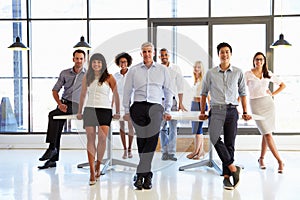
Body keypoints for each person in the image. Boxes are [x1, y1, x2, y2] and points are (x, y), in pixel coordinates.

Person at [199, 42, 252, 190]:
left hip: (232, 110)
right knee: (214, 137)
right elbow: (203, 93)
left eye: (227, 52)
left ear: (231, 54)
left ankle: (227, 177)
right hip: (216, 109)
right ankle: (234, 168)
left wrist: (245, 111)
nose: (225, 54)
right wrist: (203, 111)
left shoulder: (238, 72)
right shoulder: (210, 73)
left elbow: (243, 93)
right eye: (222, 52)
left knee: (230, 143)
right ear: (218, 54)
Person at [123, 42, 173, 190]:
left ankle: (141, 173)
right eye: (144, 52)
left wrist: (168, 109)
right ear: (141, 54)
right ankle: (146, 174)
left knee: (152, 139)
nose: (147, 54)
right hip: (137, 106)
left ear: (153, 53)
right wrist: (126, 110)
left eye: (149, 51)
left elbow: (168, 90)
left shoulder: (163, 70)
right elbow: (127, 90)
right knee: (142, 140)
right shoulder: (134, 70)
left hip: (155, 107)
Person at [38, 49, 86, 169]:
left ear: (84, 60)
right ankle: (53, 158)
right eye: (77, 58)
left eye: (81, 58)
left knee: (52, 115)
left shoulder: (88, 75)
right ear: (73, 59)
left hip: (75, 104)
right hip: (63, 103)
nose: (79, 61)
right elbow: (55, 90)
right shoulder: (64, 73)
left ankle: (51, 148)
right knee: (56, 129)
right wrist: (59, 104)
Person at [76, 53, 120, 185]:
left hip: (104, 110)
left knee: (102, 138)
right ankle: (91, 171)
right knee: (90, 138)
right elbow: (83, 94)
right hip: (89, 110)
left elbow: (116, 94)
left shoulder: (109, 77)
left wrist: (117, 111)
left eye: (99, 62)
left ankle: (98, 165)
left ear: (103, 64)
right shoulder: (87, 77)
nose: (96, 64)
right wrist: (79, 111)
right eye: (94, 62)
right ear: (91, 64)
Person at [245, 52, 285, 173]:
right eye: (257, 59)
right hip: (255, 105)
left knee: (266, 133)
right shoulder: (247, 74)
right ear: (254, 60)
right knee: (266, 133)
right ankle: (279, 161)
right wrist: (240, 107)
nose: (259, 62)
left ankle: (261, 159)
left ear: (264, 61)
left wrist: (272, 94)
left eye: (261, 60)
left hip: (268, 105)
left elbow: (282, 85)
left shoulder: (268, 74)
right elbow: (240, 90)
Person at [159, 48, 187, 161]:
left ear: (169, 56)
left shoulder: (176, 68)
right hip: (160, 101)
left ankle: (171, 152)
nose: (164, 56)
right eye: (162, 55)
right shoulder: (157, 68)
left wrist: (181, 103)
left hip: (174, 101)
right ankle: (164, 152)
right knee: (162, 128)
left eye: (166, 55)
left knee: (173, 128)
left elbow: (180, 87)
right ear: (159, 57)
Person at [113, 52, 135, 159]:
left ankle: (130, 149)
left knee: (130, 127)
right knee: (121, 127)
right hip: (119, 103)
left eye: (125, 62)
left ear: (128, 62)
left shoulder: (132, 74)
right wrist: (112, 106)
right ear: (118, 63)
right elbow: (114, 92)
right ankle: (125, 149)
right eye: (121, 62)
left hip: (130, 102)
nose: (123, 64)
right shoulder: (115, 76)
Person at [186, 61, 209, 160]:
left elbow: (208, 94)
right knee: (196, 130)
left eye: (198, 67)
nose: (196, 69)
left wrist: (208, 108)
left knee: (198, 130)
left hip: (201, 106)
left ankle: (197, 151)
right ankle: (201, 151)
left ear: (202, 69)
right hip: (194, 104)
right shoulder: (195, 80)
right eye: (195, 67)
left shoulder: (203, 80)